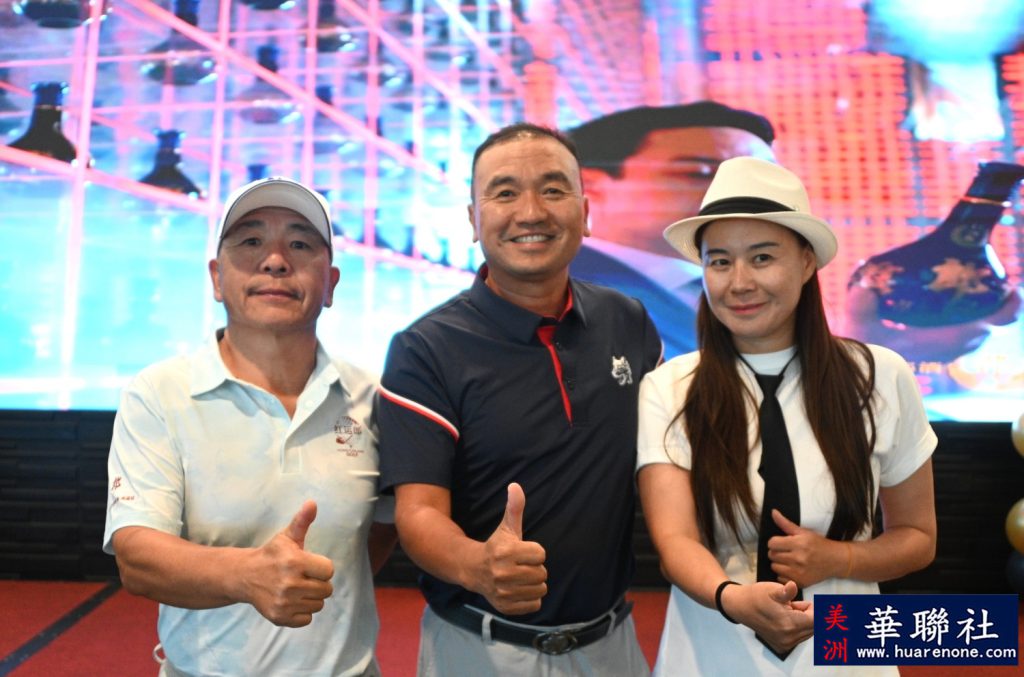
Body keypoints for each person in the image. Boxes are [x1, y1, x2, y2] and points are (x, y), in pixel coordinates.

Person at [376, 123, 663, 676]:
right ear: (473, 219)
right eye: (505, 193)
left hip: (614, 644)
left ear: (585, 211)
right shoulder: (426, 348)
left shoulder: (627, 321)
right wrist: (477, 564)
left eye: (553, 190)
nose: (531, 212)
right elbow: (418, 512)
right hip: (482, 651)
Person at [637, 156, 937, 674]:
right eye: (719, 261)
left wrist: (840, 559)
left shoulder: (879, 375)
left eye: (762, 257)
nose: (739, 282)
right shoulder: (670, 387)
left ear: (806, 262)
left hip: (847, 647)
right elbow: (676, 540)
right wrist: (732, 597)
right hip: (711, 651)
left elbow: (918, 537)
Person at [102, 177, 397, 677]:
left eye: (300, 244)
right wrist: (247, 575)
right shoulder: (159, 393)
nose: (275, 261)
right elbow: (137, 556)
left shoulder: (374, 399)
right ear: (217, 278)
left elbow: (381, 531)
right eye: (251, 241)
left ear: (331, 283)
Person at [567, 101, 776, 358]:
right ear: (587, 185)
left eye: (762, 180)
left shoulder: (772, 294)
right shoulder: (556, 299)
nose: (742, 194)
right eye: (700, 173)